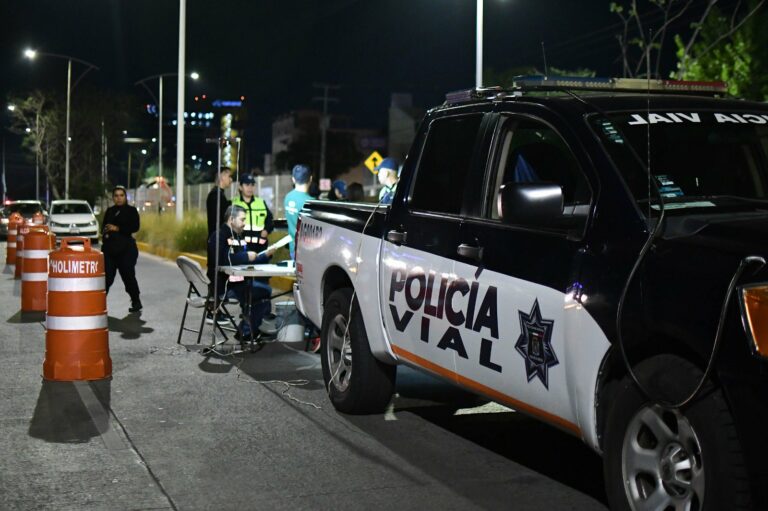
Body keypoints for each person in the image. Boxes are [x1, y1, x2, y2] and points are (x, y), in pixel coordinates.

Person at [208, 205, 277, 341]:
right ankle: (247, 331)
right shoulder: (219, 236)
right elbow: (222, 260)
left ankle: (248, 330)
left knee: (261, 290)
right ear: (231, 219)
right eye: (242, 220)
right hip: (224, 286)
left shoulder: (237, 236)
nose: (244, 224)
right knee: (262, 292)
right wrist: (246, 256)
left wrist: (265, 256)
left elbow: (244, 263)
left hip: (236, 282)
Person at [102, 185, 142, 313]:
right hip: (110, 250)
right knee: (107, 278)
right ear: (113, 198)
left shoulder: (131, 211)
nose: (119, 198)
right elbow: (103, 227)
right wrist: (105, 232)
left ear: (125, 197)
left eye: (121, 195)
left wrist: (117, 228)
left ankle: (136, 300)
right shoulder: (110, 211)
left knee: (128, 276)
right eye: (116, 196)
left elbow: (135, 227)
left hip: (126, 250)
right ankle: (99, 303)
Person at [230, 173, 274, 252]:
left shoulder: (261, 202)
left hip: (260, 247)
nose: (250, 187)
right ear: (240, 187)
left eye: (252, 185)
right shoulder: (234, 203)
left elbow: (270, 220)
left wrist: (266, 230)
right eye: (247, 184)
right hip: (240, 247)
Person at [284, 164, 313, 259]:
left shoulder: (288, 197)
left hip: (293, 248)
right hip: (307, 251)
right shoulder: (310, 202)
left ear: (293, 179)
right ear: (310, 179)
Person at [206, 166, 232, 237]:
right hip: (217, 240)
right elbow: (219, 219)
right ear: (222, 176)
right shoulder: (216, 195)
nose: (231, 179)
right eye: (229, 176)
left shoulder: (218, 193)